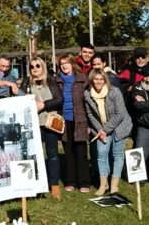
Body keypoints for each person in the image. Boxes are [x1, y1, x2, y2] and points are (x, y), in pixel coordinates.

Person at [18, 57, 63, 199]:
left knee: (52, 155)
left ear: (42, 66)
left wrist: (44, 105)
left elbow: (59, 99)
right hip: (33, 124)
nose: (35, 68)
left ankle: (54, 184)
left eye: (38, 65)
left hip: (49, 124)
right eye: (32, 67)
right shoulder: (26, 82)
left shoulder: (50, 81)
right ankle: (36, 184)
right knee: (34, 155)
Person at [84, 69, 133, 196]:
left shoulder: (114, 92)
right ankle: (103, 184)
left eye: (101, 79)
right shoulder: (87, 94)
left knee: (117, 154)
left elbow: (120, 114)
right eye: (96, 79)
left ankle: (114, 185)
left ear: (105, 80)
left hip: (119, 126)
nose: (98, 82)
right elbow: (90, 114)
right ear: (91, 80)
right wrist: (100, 130)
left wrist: (105, 130)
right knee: (101, 153)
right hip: (100, 128)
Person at [55, 53, 91, 193]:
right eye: (62, 63)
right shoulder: (56, 81)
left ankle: (84, 182)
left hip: (80, 119)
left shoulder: (83, 79)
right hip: (64, 120)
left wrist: (89, 124)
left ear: (72, 64)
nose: (64, 65)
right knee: (68, 150)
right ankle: (70, 180)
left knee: (81, 150)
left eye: (66, 63)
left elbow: (89, 102)